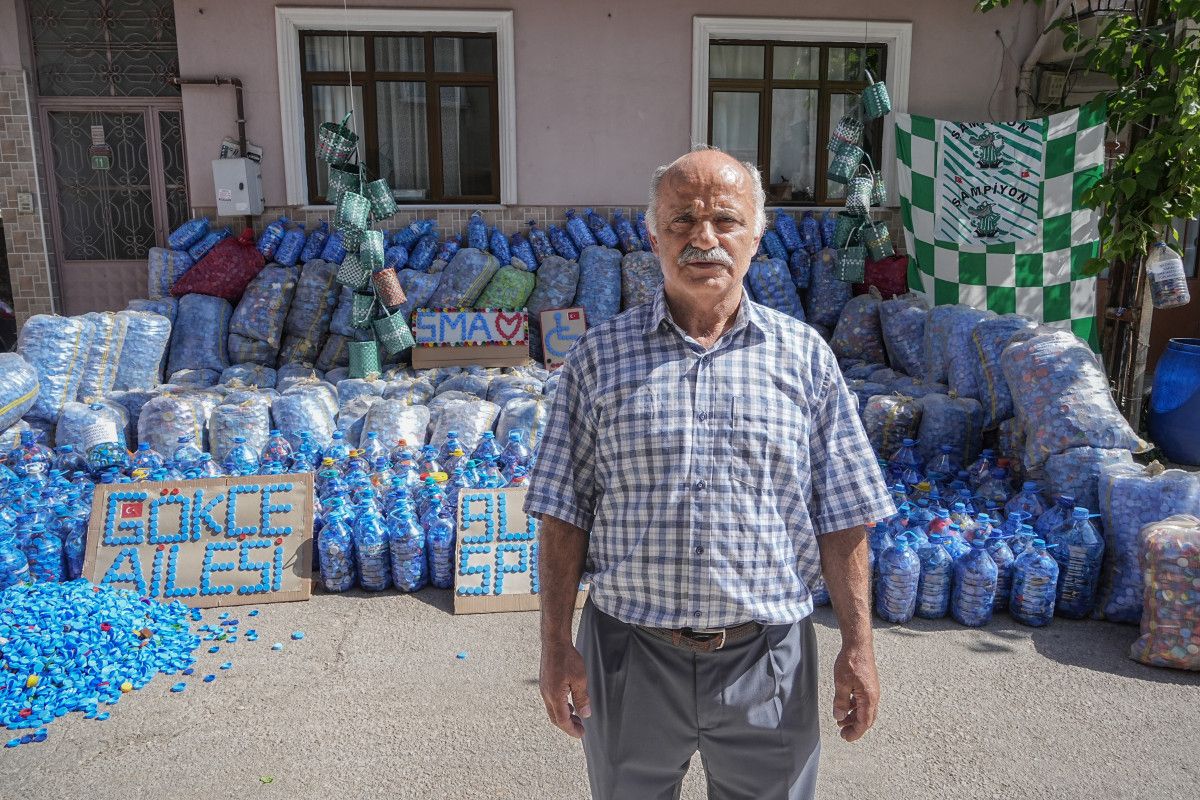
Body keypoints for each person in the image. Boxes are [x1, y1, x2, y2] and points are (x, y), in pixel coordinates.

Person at [525, 146, 895, 800]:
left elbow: (844, 514)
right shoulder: (598, 358)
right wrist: (555, 643)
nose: (704, 239)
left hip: (769, 661)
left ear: (756, 233)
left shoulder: (805, 359)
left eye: (724, 220)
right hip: (628, 657)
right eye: (681, 222)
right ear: (653, 237)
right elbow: (563, 512)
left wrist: (859, 647)